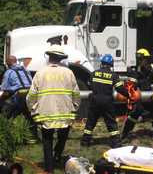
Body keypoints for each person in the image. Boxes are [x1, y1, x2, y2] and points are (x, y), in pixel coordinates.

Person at [26, 43, 80, 174]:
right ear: (61, 58)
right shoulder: (69, 73)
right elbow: (76, 94)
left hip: (46, 114)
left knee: (47, 141)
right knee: (63, 137)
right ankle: (57, 155)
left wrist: (33, 110)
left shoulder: (40, 73)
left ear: (49, 57)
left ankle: (49, 169)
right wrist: (74, 109)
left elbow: (31, 95)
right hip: (65, 114)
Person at [80, 54, 129, 148]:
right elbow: (120, 89)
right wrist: (128, 95)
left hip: (94, 101)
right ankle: (116, 143)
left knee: (91, 122)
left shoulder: (94, 73)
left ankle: (85, 142)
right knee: (111, 123)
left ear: (101, 63)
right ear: (111, 64)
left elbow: (89, 84)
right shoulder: (113, 76)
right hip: (107, 102)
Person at [122, 48, 153, 139]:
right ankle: (125, 134)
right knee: (133, 115)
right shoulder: (138, 71)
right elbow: (133, 83)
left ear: (147, 59)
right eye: (138, 59)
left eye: (141, 59)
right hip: (142, 98)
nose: (139, 61)